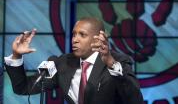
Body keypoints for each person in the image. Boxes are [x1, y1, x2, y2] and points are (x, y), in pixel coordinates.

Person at [5, 17, 143, 104]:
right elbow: (23, 88)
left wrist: (111, 64)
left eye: (82, 35)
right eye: (74, 34)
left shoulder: (117, 61)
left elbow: (134, 99)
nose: (75, 39)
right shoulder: (63, 63)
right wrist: (16, 55)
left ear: (98, 38)